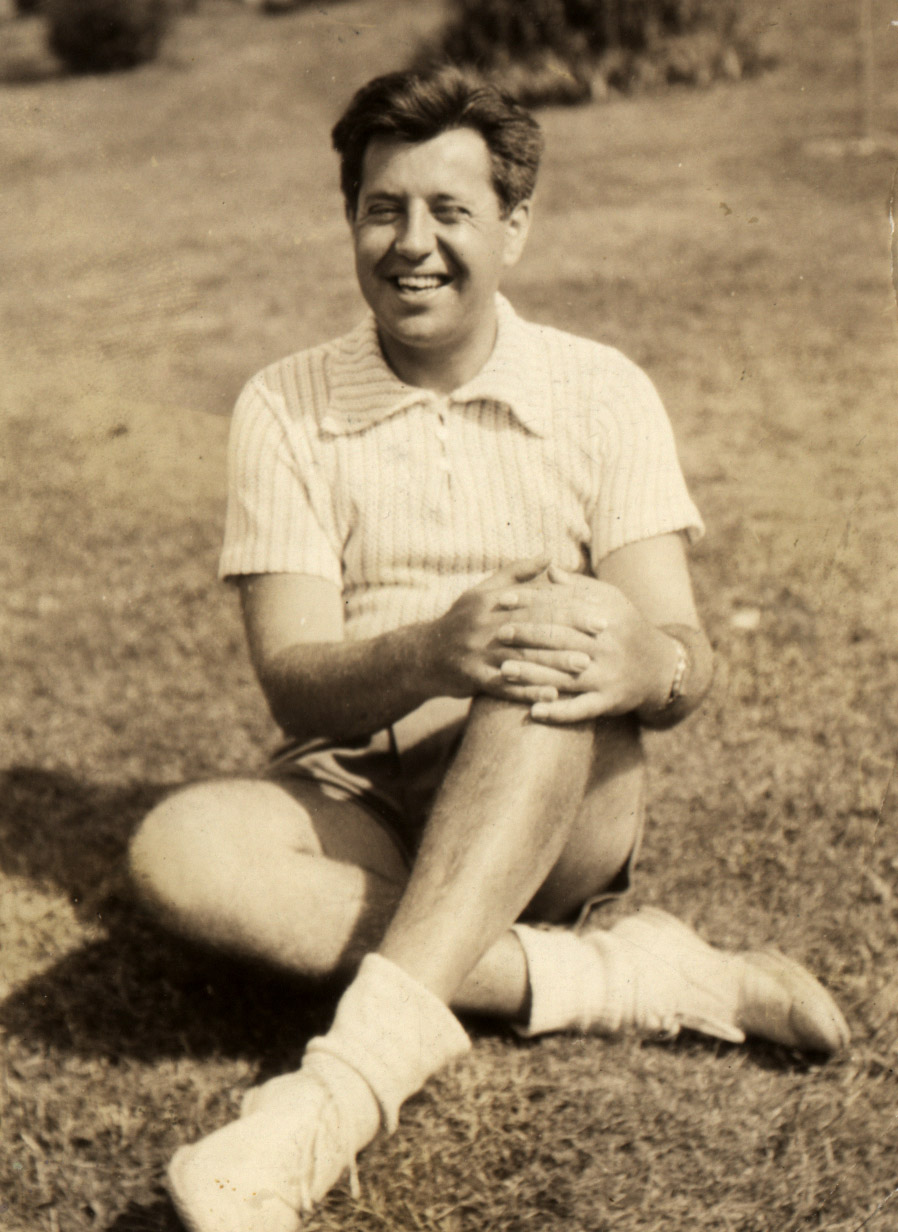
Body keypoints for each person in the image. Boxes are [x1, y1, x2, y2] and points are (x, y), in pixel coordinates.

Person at [128, 67, 849, 1232]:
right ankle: (624, 977)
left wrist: (646, 666)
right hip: (357, 789)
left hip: (550, 790)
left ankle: (327, 1104)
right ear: (350, 219)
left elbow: (685, 655)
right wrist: (430, 650)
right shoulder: (284, 403)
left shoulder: (601, 390)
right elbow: (294, 681)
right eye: (382, 208)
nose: (412, 243)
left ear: (514, 227)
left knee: (543, 638)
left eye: (449, 211)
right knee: (180, 850)